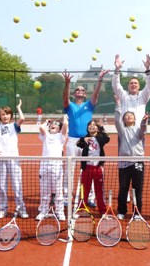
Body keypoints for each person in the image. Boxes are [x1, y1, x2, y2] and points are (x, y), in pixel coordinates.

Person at [62, 69, 110, 207]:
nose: (80, 91)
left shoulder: (89, 105)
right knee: (69, 170)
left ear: (84, 94)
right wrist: (67, 83)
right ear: (74, 93)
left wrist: (100, 79)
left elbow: (95, 93)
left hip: (89, 142)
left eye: (82, 90)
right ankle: (66, 196)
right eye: (77, 89)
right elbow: (64, 98)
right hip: (72, 141)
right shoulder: (69, 105)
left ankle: (90, 197)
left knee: (90, 169)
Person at [0, 100, 29, 219]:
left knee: (17, 185)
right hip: (1, 159)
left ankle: (21, 208)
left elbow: (22, 118)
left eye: (7, 114)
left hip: (13, 158)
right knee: (2, 185)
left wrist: (19, 107)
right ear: (0, 116)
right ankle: (2, 208)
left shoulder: (14, 126)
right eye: (2, 114)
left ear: (11, 115)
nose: (5, 116)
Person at [114, 96, 149, 219]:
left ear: (134, 119)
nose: (128, 116)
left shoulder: (139, 130)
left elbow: (143, 128)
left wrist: (144, 121)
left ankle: (137, 212)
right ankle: (122, 211)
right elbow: (117, 121)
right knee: (123, 188)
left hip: (138, 162)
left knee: (137, 188)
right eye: (126, 115)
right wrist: (118, 105)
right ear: (124, 119)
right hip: (123, 163)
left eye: (131, 115)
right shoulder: (122, 131)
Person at [36, 115, 68, 221]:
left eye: (56, 124)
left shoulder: (61, 137)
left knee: (58, 192)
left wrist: (65, 118)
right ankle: (43, 211)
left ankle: (60, 212)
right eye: (51, 125)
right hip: (44, 166)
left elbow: (65, 126)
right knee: (45, 191)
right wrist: (46, 122)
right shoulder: (45, 136)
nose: (53, 125)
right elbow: (41, 127)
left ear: (59, 128)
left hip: (56, 166)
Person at [76, 119, 110, 215]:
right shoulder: (86, 138)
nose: (92, 126)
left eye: (94, 125)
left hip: (97, 168)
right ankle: (82, 208)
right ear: (87, 128)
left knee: (99, 191)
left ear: (98, 129)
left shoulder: (101, 137)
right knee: (85, 190)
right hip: (87, 168)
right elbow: (78, 144)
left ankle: (102, 210)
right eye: (90, 125)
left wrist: (102, 127)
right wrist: (83, 139)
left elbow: (107, 138)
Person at [112, 54, 150, 127]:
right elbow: (116, 85)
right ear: (128, 86)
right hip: (125, 130)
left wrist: (148, 69)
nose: (133, 84)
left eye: (135, 83)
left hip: (139, 131)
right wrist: (117, 70)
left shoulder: (143, 96)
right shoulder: (123, 95)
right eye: (131, 83)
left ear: (139, 86)